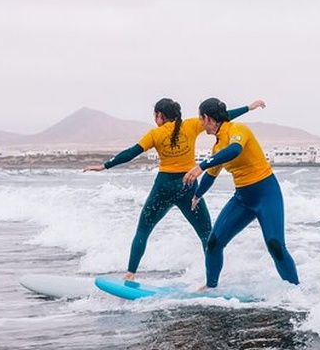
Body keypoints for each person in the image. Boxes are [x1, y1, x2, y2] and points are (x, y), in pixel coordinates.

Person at [83, 98, 265, 281]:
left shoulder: (155, 134)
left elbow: (131, 153)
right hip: (188, 186)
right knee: (205, 234)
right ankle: (213, 280)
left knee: (143, 230)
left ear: (160, 116)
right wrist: (248, 108)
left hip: (164, 187)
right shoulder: (192, 125)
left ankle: (130, 275)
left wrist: (105, 166)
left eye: (155, 115)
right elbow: (222, 117)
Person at [182, 97, 299, 289]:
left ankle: (296, 292)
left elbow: (235, 150)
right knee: (213, 244)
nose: (201, 124)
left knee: (275, 246)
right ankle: (210, 287)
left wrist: (201, 166)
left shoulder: (238, 130)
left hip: (266, 194)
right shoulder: (217, 147)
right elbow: (211, 175)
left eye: (201, 119)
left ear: (207, 118)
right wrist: (197, 195)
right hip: (243, 199)